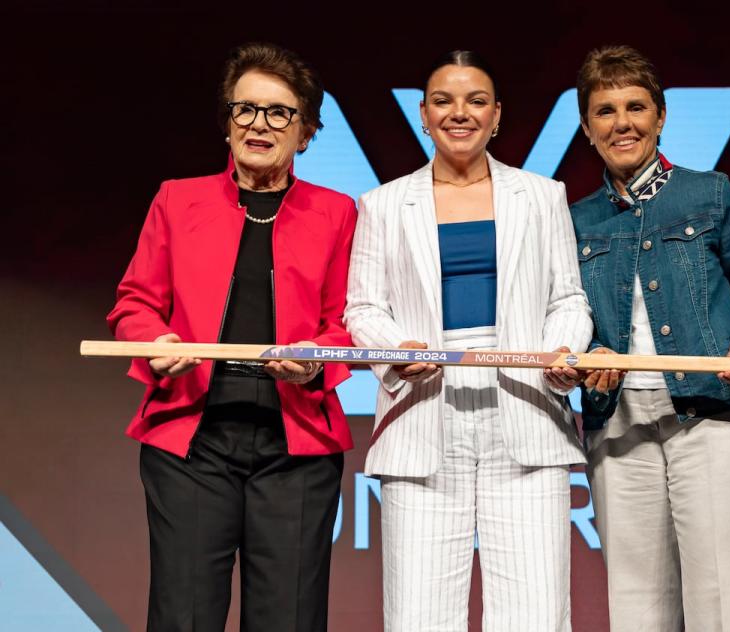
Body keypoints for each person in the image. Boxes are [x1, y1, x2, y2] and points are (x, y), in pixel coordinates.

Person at [107, 42, 356, 632]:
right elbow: (135, 303)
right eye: (245, 109)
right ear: (227, 123)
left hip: (294, 444)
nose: (259, 124)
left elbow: (342, 322)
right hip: (193, 441)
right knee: (183, 616)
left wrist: (316, 360)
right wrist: (155, 341)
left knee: (288, 619)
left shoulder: (337, 211)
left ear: (308, 132)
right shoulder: (177, 199)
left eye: (279, 112)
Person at [344, 50, 592, 632]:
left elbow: (568, 300)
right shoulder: (381, 205)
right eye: (444, 101)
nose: (461, 113)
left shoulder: (542, 195)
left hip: (526, 409)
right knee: (419, 612)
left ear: (497, 115)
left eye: (476, 101)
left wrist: (559, 353)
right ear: (423, 115)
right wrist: (398, 351)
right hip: (423, 412)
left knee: (535, 609)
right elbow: (363, 307)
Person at [570, 45, 730, 632]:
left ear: (660, 116)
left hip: (712, 411)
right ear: (588, 128)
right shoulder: (575, 220)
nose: (623, 123)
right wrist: (584, 359)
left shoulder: (712, 195)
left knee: (725, 601)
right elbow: (568, 323)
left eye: (636, 106)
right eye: (606, 111)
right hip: (618, 424)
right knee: (638, 605)